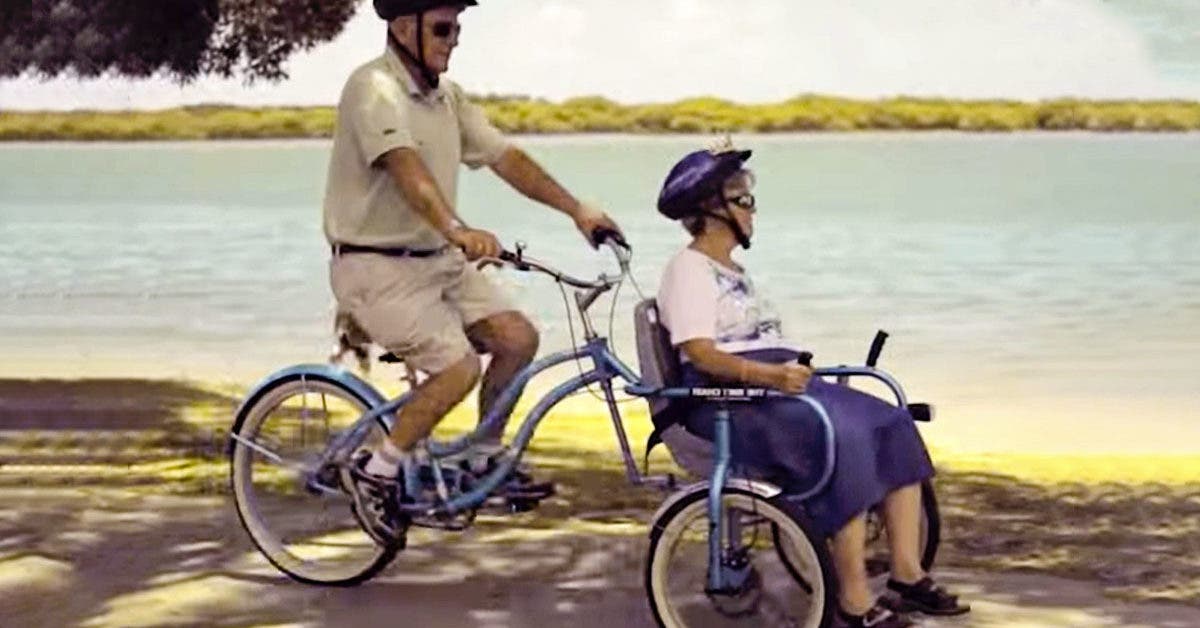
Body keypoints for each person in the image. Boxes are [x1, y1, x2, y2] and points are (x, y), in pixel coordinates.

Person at [325, 0, 623, 544]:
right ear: (401, 26)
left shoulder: (447, 98)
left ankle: (484, 459)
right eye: (442, 27)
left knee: (517, 338)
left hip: (435, 261)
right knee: (458, 367)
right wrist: (456, 228)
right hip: (374, 265)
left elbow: (507, 159)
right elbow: (406, 169)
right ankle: (377, 469)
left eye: (457, 27)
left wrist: (577, 209)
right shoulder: (373, 88)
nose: (453, 38)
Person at [653, 141, 970, 628]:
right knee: (840, 439)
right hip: (728, 399)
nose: (753, 211)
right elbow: (702, 353)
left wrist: (783, 374)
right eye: (744, 201)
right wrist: (771, 375)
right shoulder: (689, 269)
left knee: (890, 421)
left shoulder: (731, 270)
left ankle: (907, 573)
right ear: (712, 213)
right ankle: (855, 600)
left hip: (772, 388)